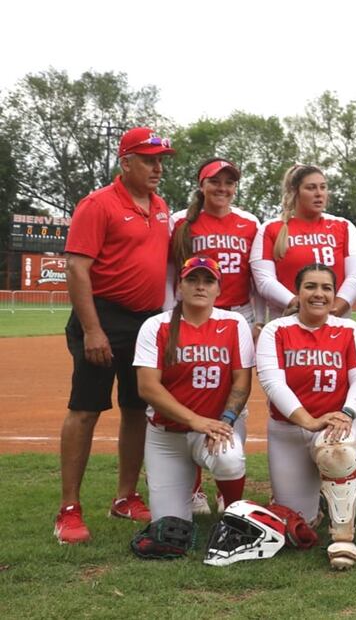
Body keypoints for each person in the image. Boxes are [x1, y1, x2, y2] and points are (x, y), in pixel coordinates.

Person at [55, 127, 174, 544]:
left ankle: (124, 497)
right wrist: (92, 329)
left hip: (145, 322)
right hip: (102, 317)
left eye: (160, 160)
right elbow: (76, 268)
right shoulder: (98, 204)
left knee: (136, 408)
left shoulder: (160, 206)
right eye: (148, 160)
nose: (157, 167)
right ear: (126, 163)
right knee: (86, 409)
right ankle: (69, 507)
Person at [257, 263, 356, 570]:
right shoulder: (276, 330)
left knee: (337, 449)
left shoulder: (347, 328)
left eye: (326, 288)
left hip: (337, 424)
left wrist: (346, 413)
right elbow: (272, 382)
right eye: (310, 286)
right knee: (300, 526)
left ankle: (344, 537)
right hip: (288, 431)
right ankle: (320, 501)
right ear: (297, 292)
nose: (318, 294)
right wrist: (308, 420)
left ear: (335, 295)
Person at [168, 157, 260, 514]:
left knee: (235, 400)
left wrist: (258, 318)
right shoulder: (181, 221)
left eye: (229, 182)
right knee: (189, 391)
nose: (223, 188)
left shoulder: (249, 222)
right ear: (201, 184)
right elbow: (169, 272)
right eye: (215, 182)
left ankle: (227, 483)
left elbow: (254, 275)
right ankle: (193, 488)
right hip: (189, 315)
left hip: (237, 313)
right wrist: (167, 315)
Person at [133, 257, 253, 521]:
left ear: (219, 289)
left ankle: (234, 517)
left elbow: (242, 382)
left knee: (229, 458)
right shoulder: (156, 325)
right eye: (193, 279)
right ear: (180, 286)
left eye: (209, 281)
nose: (201, 286)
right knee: (169, 526)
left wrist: (224, 423)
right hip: (167, 435)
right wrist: (195, 421)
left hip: (217, 426)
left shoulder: (234, 323)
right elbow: (147, 387)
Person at [251, 164, 356, 320]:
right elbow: (264, 280)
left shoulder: (344, 226)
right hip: (287, 319)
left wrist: (333, 309)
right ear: (294, 192)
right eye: (311, 188)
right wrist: (300, 306)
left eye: (323, 187)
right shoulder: (271, 228)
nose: (319, 194)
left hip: (335, 319)